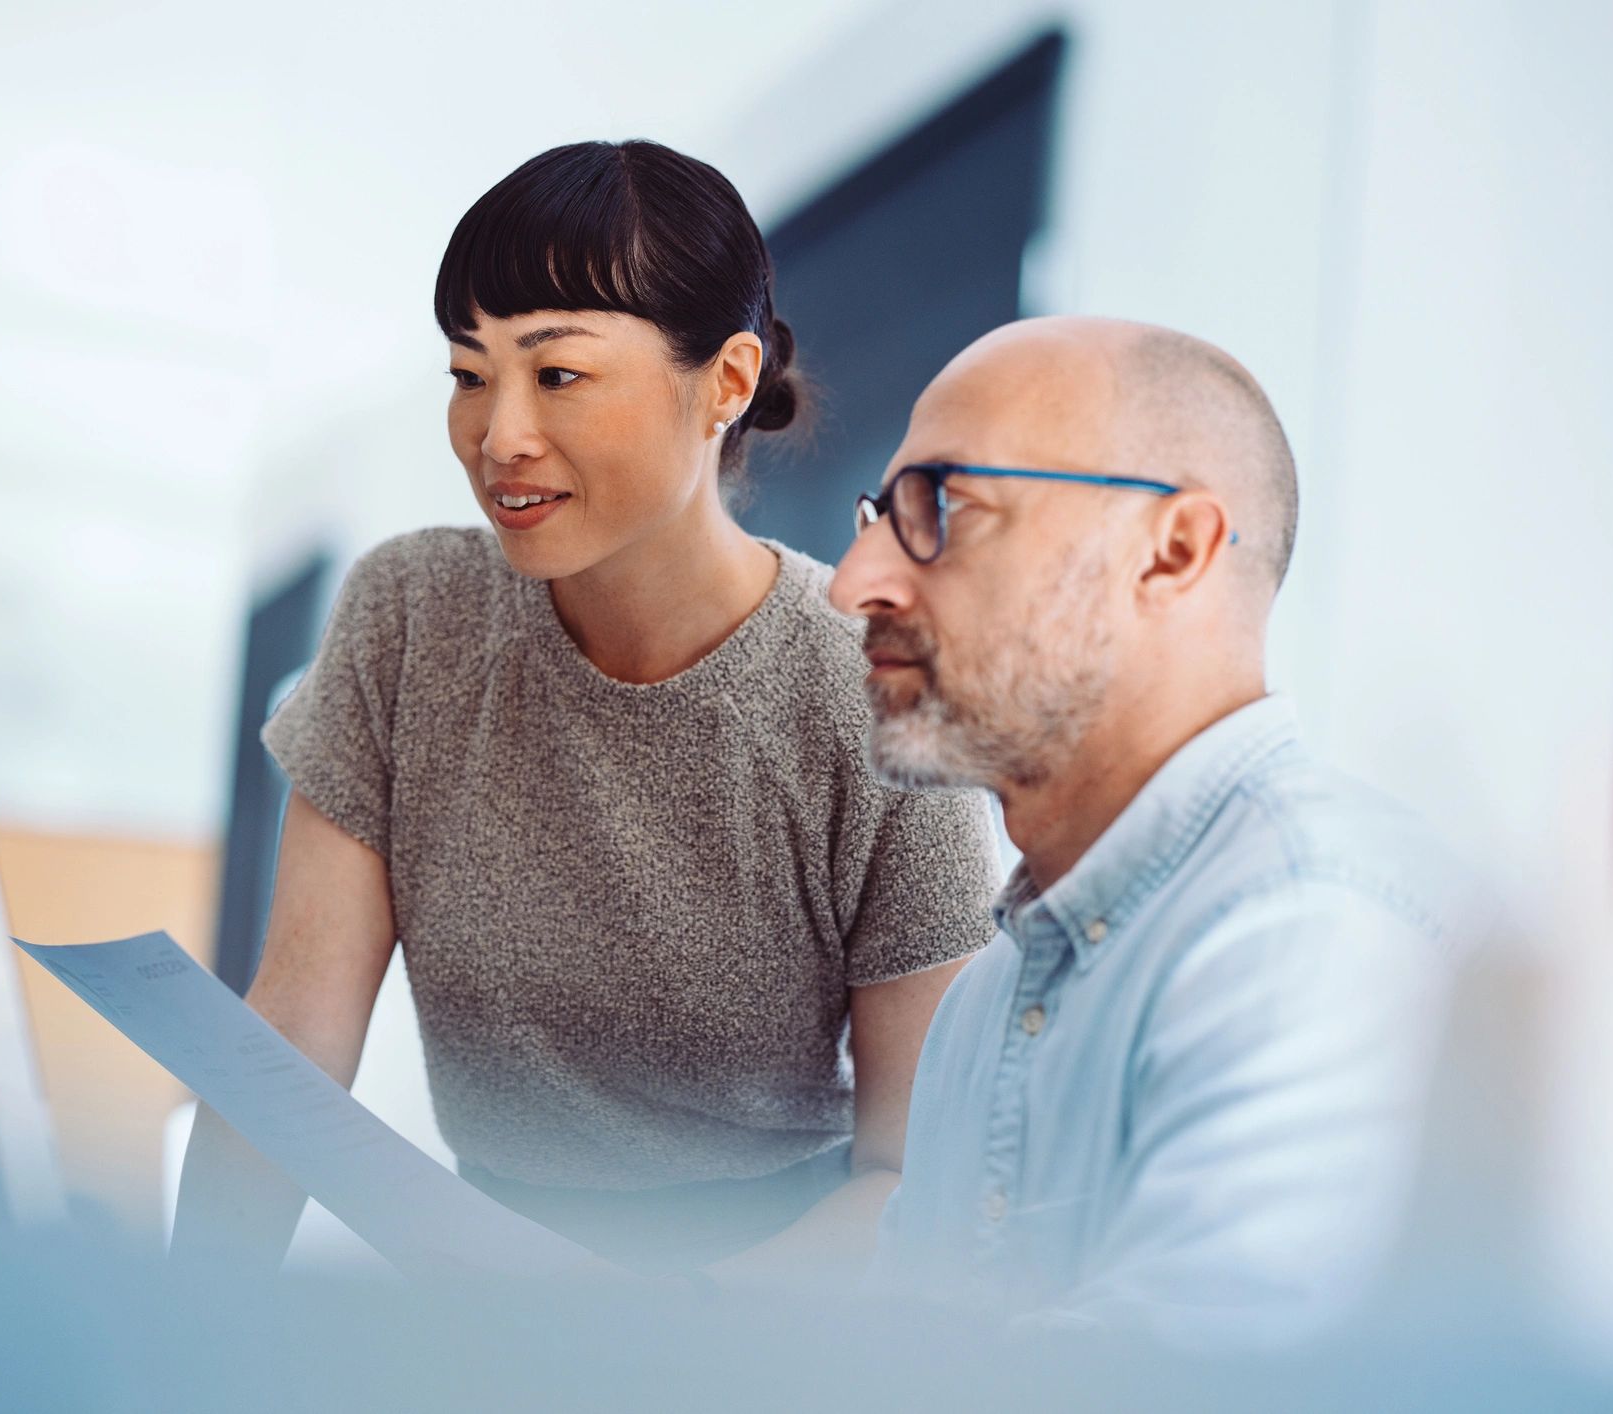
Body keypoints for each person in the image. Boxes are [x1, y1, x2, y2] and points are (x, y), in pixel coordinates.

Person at [173, 140, 1001, 1279]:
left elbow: (909, 1178)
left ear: (725, 384)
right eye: (469, 374)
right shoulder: (408, 615)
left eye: (556, 374)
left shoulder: (872, 689)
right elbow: (293, 1040)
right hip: (486, 1284)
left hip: (774, 1305)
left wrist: (662, 1339)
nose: (497, 436)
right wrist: (190, 1317)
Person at [829, 315, 1473, 1345]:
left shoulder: (1308, 928)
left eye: (944, 506)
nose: (852, 582)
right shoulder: (983, 1002)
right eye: (880, 515)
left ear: (1171, 553)